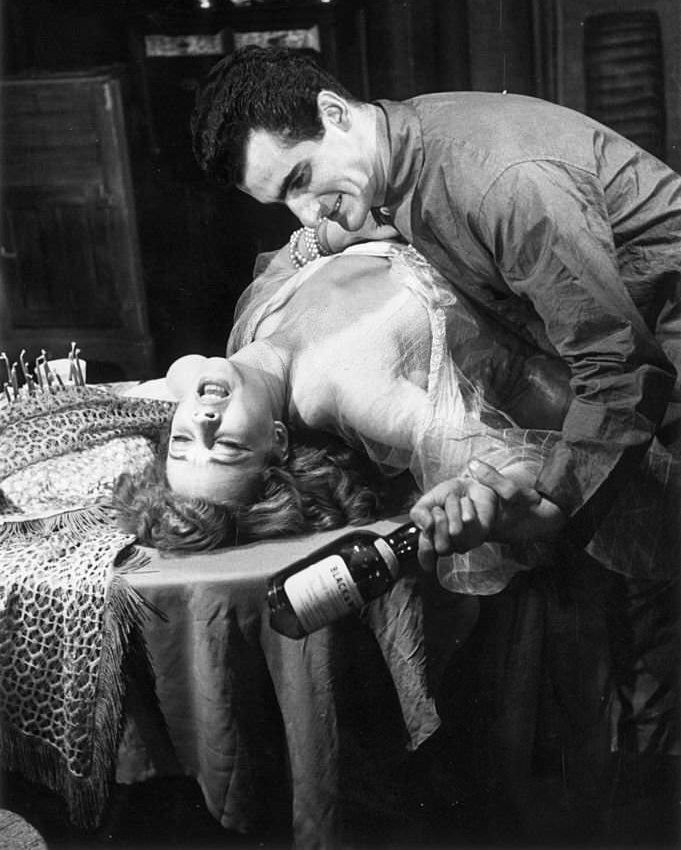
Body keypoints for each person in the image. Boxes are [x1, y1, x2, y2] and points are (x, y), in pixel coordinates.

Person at [190, 46, 680, 764]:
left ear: (333, 113)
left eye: (301, 179)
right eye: (280, 202)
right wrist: (315, 239)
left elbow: (618, 366)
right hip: (630, 374)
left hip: (655, 369)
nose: (302, 209)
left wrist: (551, 496)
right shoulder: (389, 150)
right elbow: (372, 216)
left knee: (657, 643)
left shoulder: (502, 182)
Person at [116, 236, 574, 592]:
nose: (202, 422)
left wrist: (324, 234)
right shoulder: (356, 393)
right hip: (544, 277)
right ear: (277, 439)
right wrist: (487, 498)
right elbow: (507, 463)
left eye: (181, 442)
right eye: (229, 447)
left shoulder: (215, 361)